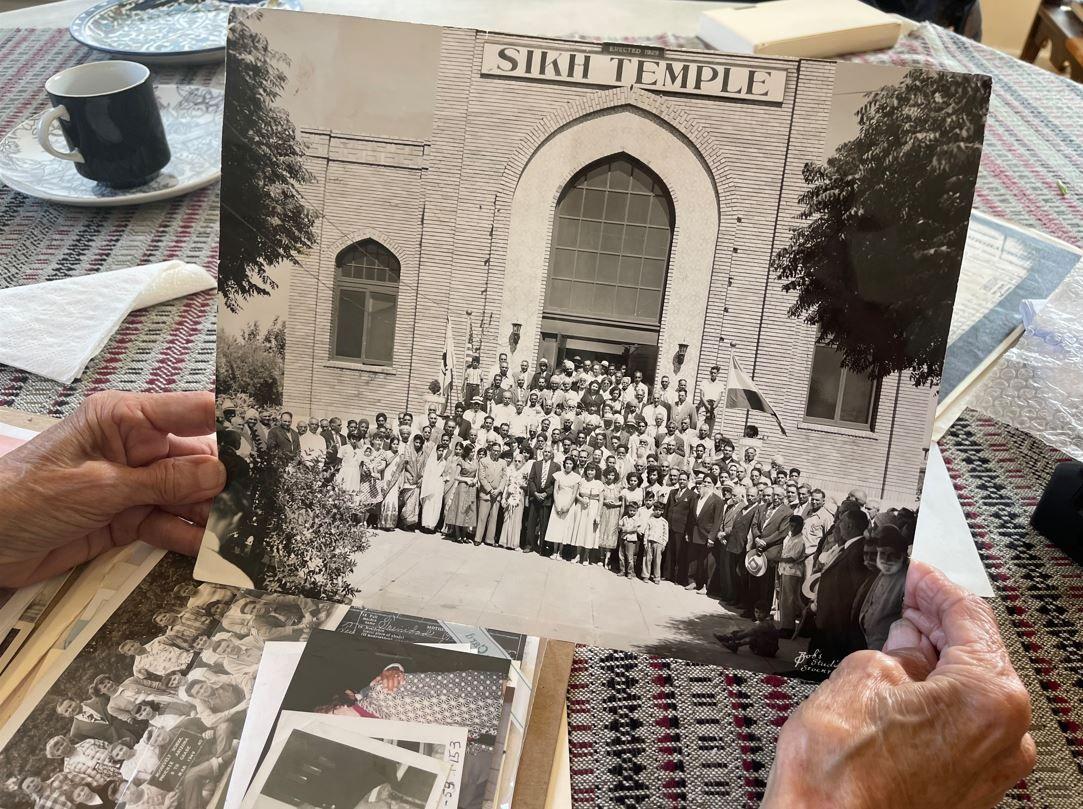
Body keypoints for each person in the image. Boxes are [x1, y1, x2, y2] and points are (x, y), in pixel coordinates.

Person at [544, 456, 581, 560]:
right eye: (567, 463)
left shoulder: (576, 477)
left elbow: (574, 494)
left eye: (570, 464)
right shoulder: (558, 475)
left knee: (565, 527)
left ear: (573, 465)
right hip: (558, 502)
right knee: (556, 526)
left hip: (569, 504)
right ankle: (554, 551)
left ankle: (560, 552)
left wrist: (568, 506)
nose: (568, 465)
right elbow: (555, 490)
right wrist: (557, 504)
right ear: (564, 464)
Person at [444, 443, 478, 543]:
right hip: (463, 487)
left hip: (472, 488)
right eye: (472, 452)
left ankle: (464, 535)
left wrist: (475, 480)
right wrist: (466, 480)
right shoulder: (461, 461)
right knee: (460, 510)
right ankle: (457, 535)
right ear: (467, 452)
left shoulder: (476, 461)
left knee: (468, 510)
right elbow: (456, 476)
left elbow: (477, 474)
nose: (473, 453)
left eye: (474, 451)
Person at [570, 462, 602, 564]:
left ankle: (586, 556)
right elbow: (576, 494)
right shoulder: (582, 481)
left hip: (593, 508)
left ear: (596, 472)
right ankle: (578, 555)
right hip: (581, 508)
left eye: (592, 470)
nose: (590, 472)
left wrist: (598, 515)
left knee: (589, 532)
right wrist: (582, 500)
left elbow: (601, 500)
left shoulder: (599, 483)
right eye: (588, 470)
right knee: (580, 530)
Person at [497, 449, 529, 551]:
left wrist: (521, 485)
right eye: (515, 460)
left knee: (517, 519)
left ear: (523, 462)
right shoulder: (510, 471)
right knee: (508, 518)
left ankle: (514, 543)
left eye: (519, 461)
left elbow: (527, 486)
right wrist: (504, 497)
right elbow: (506, 485)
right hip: (509, 495)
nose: (517, 463)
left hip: (519, 497)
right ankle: (504, 541)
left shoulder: (525, 472)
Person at [640, 500, 668, 584]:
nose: (658, 512)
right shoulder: (650, 519)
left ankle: (657, 577)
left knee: (657, 560)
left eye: (660, 510)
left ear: (662, 511)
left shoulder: (664, 522)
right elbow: (647, 531)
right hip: (649, 541)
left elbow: (665, 534)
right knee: (647, 559)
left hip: (658, 543)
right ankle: (645, 575)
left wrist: (664, 543)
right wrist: (645, 542)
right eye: (656, 510)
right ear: (654, 510)